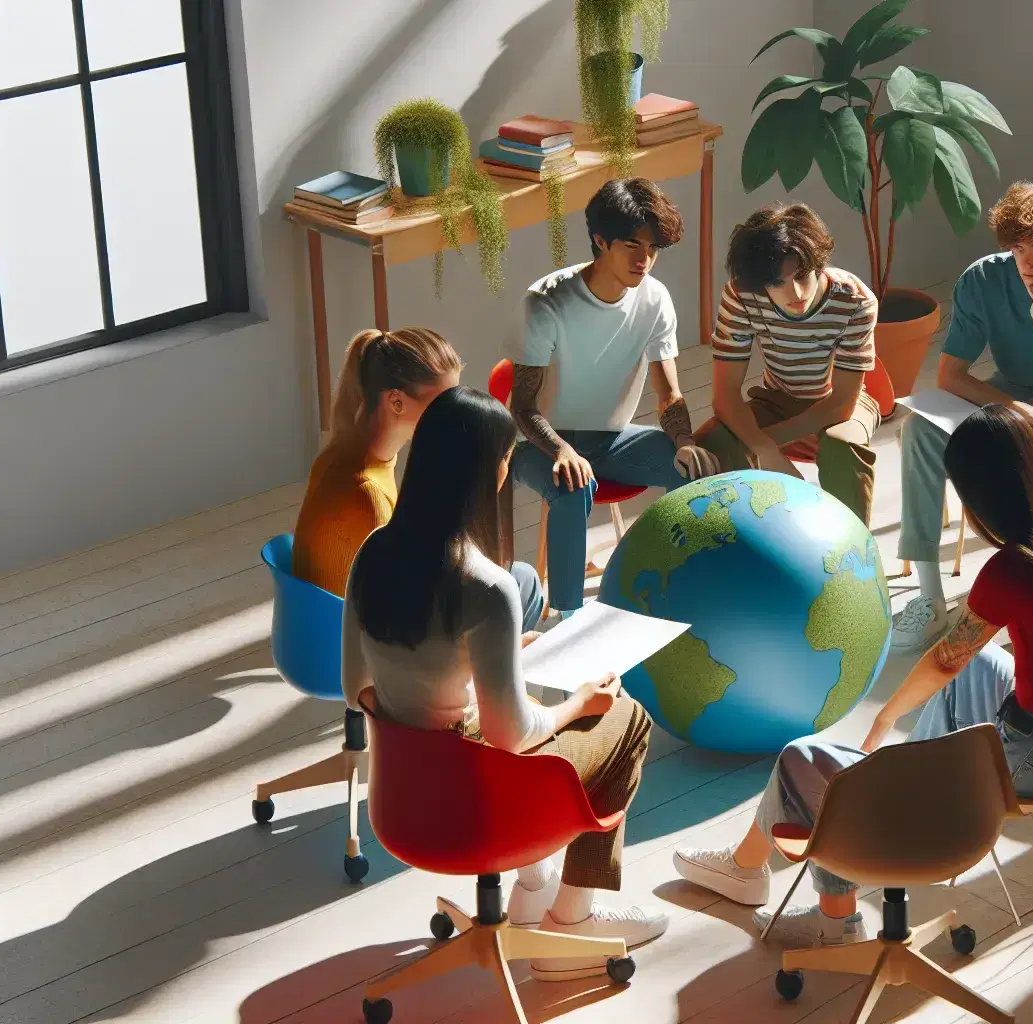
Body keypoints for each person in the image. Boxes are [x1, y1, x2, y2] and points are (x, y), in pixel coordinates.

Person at [671, 405, 1033, 948]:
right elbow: (968, 661)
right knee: (977, 666)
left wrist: (886, 714)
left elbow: (943, 659)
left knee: (801, 758)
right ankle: (902, 786)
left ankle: (826, 914)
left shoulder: (1015, 567)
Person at [342, 386, 667, 979]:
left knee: (510, 702)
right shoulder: (486, 586)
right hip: (473, 804)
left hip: (403, 803)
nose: (507, 468)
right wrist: (577, 705)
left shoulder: (374, 554)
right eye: (505, 457)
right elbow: (512, 737)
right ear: (482, 472)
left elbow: (355, 685)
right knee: (625, 719)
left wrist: (475, 665)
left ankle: (530, 890)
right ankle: (572, 922)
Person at [891, 181, 1033, 651]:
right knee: (919, 430)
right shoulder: (983, 278)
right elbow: (951, 376)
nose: (1026, 262)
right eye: (1017, 248)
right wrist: (1016, 412)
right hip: (1007, 394)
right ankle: (930, 598)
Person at [509, 178, 721, 617]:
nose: (644, 259)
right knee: (572, 486)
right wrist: (562, 449)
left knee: (692, 469)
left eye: (653, 248)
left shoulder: (656, 300)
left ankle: (670, 593)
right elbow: (522, 407)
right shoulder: (546, 303)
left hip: (613, 439)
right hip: (541, 445)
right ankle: (570, 619)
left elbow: (670, 393)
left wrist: (684, 442)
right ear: (600, 241)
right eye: (631, 244)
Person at [290, 328, 547, 633]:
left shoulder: (346, 454)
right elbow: (398, 610)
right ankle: (497, 671)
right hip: (357, 645)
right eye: (443, 404)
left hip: (331, 627)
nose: (456, 415)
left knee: (510, 577)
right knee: (521, 584)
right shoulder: (366, 494)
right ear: (396, 402)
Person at [696, 204, 879, 524]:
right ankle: (745, 543)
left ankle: (854, 557)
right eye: (777, 283)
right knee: (711, 443)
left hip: (838, 401)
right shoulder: (742, 294)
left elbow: (841, 405)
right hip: (775, 398)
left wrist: (767, 444)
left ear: (817, 262)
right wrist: (764, 449)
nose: (795, 292)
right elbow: (725, 395)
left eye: (802, 276)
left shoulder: (854, 300)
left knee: (842, 448)